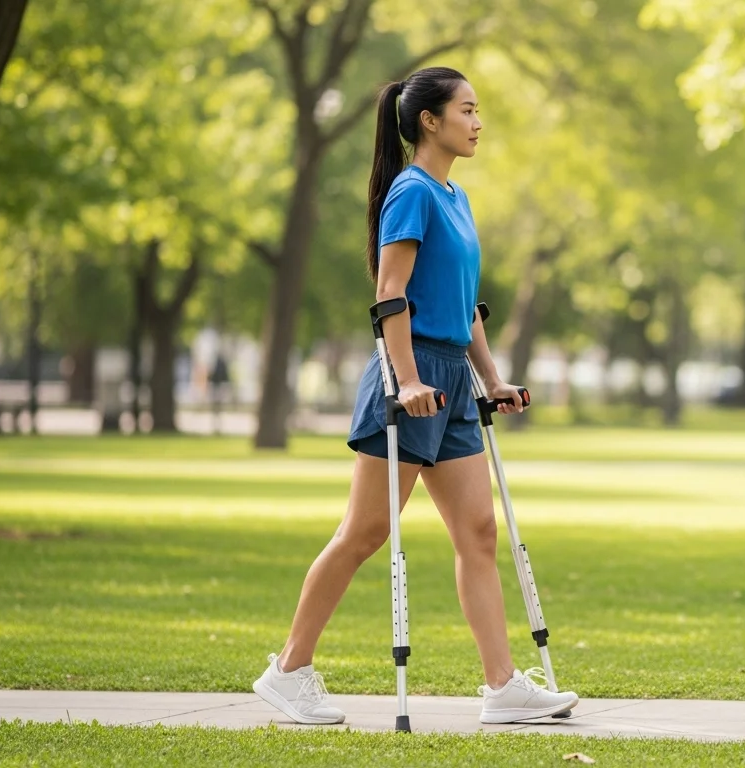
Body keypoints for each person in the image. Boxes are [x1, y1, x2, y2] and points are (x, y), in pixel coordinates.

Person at [252, 67, 579, 726]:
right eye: (467, 110)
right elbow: (389, 293)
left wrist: (492, 380)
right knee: (365, 532)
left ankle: (503, 685)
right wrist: (406, 379)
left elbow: (465, 309)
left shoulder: (455, 197)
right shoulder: (411, 192)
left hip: (452, 379)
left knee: (479, 533)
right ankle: (288, 669)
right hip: (409, 375)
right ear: (430, 120)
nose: (477, 122)